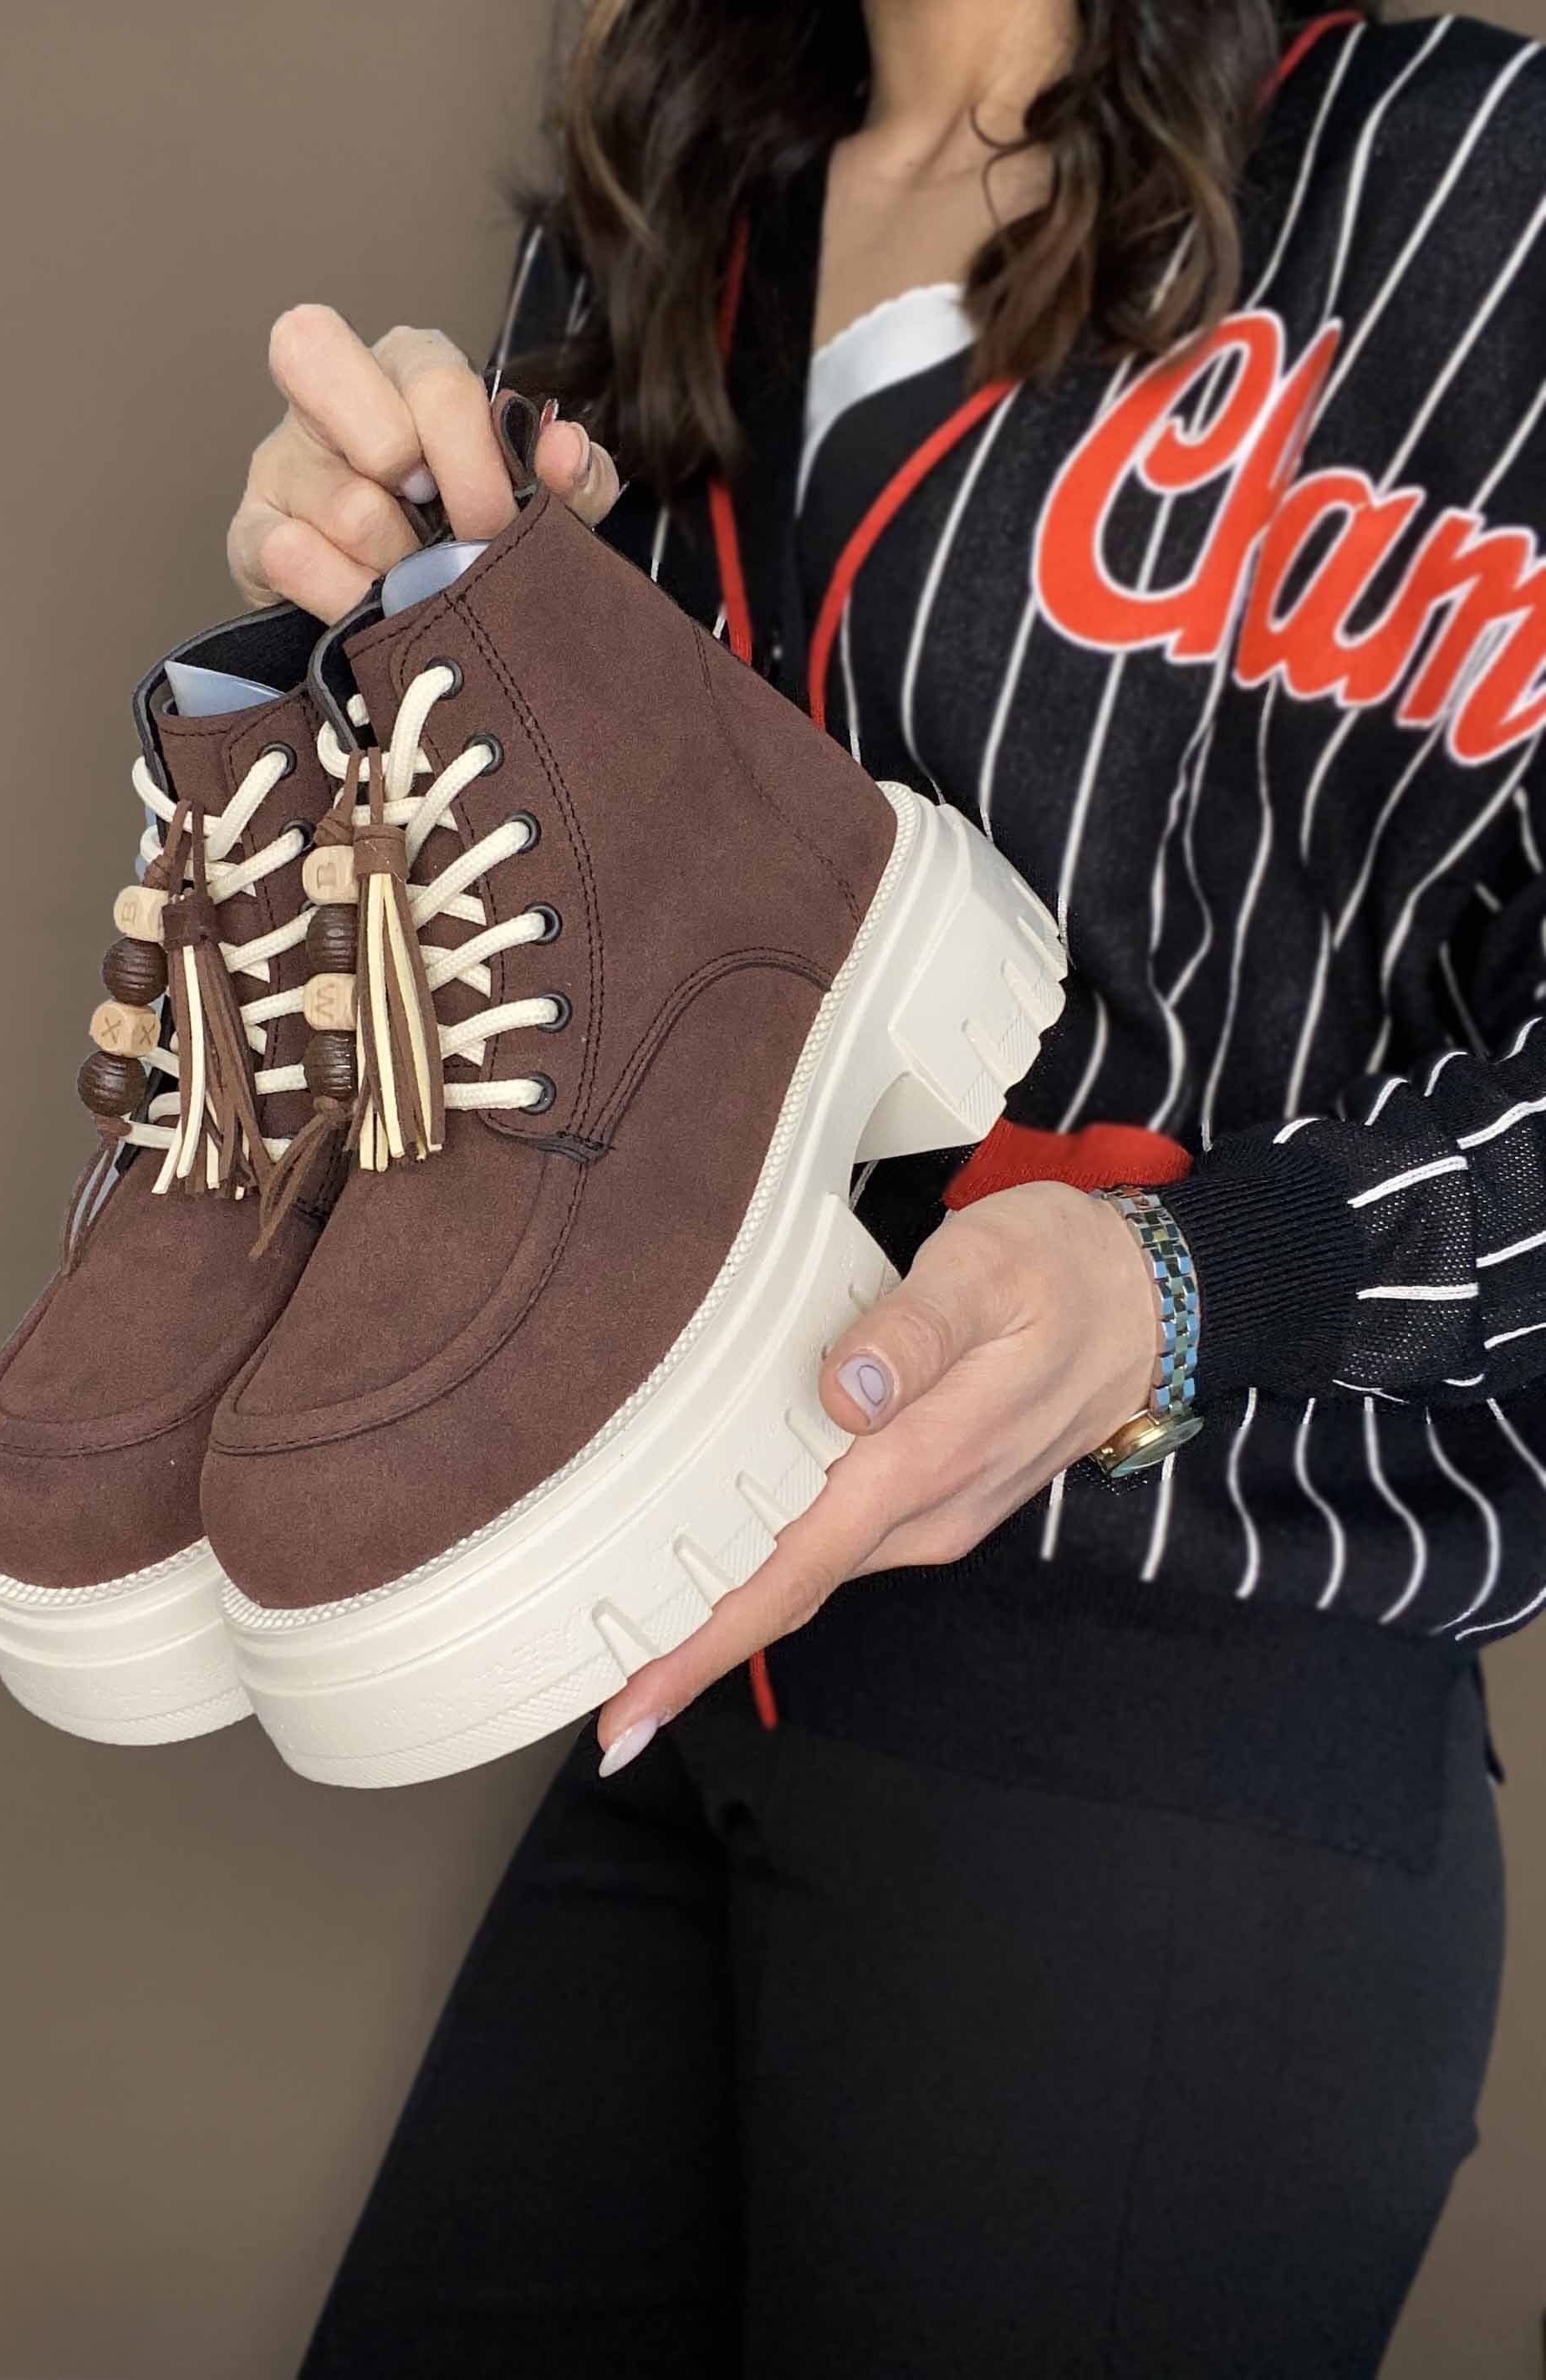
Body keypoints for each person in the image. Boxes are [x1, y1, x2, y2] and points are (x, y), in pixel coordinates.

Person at [228, 3, 1546, 2370]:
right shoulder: (679, 190)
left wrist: (1198, 1279)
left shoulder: (1466, 185)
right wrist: (382, 631)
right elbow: (555, 979)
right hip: (678, 1654)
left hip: (1183, 1730)